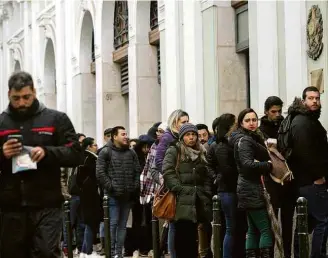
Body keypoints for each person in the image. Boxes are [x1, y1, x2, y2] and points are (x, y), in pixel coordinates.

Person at [0, 71, 82, 258]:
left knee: (45, 253)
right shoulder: (2, 123)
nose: (21, 103)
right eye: (16, 98)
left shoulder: (56, 119)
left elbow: (76, 154)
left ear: (34, 92)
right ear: (8, 95)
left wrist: (47, 152)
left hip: (47, 205)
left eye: (26, 97)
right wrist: (2, 153)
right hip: (11, 208)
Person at [287, 87, 328, 258]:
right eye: (311, 98)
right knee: (323, 221)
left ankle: (299, 254)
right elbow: (305, 153)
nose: (315, 102)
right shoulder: (303, 122)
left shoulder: (308, 120)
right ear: (303, 101)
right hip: (311, 181)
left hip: (307, 181)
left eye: (317, 98)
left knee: (306, 223)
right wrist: (318, 177)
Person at [163, 123, 213, 258]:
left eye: (193, 134)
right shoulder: (175, 150)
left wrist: (206, 191)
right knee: (182, 238)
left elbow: (207, 175)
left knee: (196, 238)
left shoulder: (202, 151)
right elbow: (167, 171)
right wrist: (179, 189)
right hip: (181, 201)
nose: (191, 137)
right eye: (187, 135)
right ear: (182, 137)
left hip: (198, 200)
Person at [229, 108, 273, 258]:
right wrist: (268, 165)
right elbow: (247, 164)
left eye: (254, 120)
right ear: (241, 123)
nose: (252, 123)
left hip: (247, 187)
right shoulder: (245, 140)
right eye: (247, 120)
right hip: (250, 188)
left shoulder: (248, 138)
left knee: (253, 229)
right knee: (265, 229)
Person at [96, 126, 141, 258]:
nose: (126, 136)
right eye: (123, 134)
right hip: (112, 196)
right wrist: (111, 187)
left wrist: (134, 186)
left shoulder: (131, 153)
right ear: (114, 137)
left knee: (122, 226)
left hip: (127, 196)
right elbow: (100, 173)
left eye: (126, 133)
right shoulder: (105, 152)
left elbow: (137, 171)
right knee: (113, 224)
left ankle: (118, 253)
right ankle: (110, 252)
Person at [207, 113, 247, 258]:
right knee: (231, 228)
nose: (238, 125)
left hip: (229, 190)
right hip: (229, 191)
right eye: (235, 123)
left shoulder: (226, 143)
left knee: (234, 228)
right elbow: (227, 170)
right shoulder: (223, 146)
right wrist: (217, 179)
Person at [155, 109, 189, 258]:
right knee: (173, 223)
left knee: (178, 224)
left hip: (184, 184)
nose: (187, 124)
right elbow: (159, 160)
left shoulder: (181, 136)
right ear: (175, 122)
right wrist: (172, 179)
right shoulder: (168, 137)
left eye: (188, 121)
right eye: (184, 122)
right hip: (174, 186)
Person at [78, 137, 102, 256]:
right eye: (94, 145)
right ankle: (87, 251)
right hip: (91, 195)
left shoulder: (82, 158)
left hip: (85, 195)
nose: (97, 147)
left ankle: (84, 250)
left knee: (89, 223)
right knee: (91, 223)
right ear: (89, 146)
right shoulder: (91, 159)